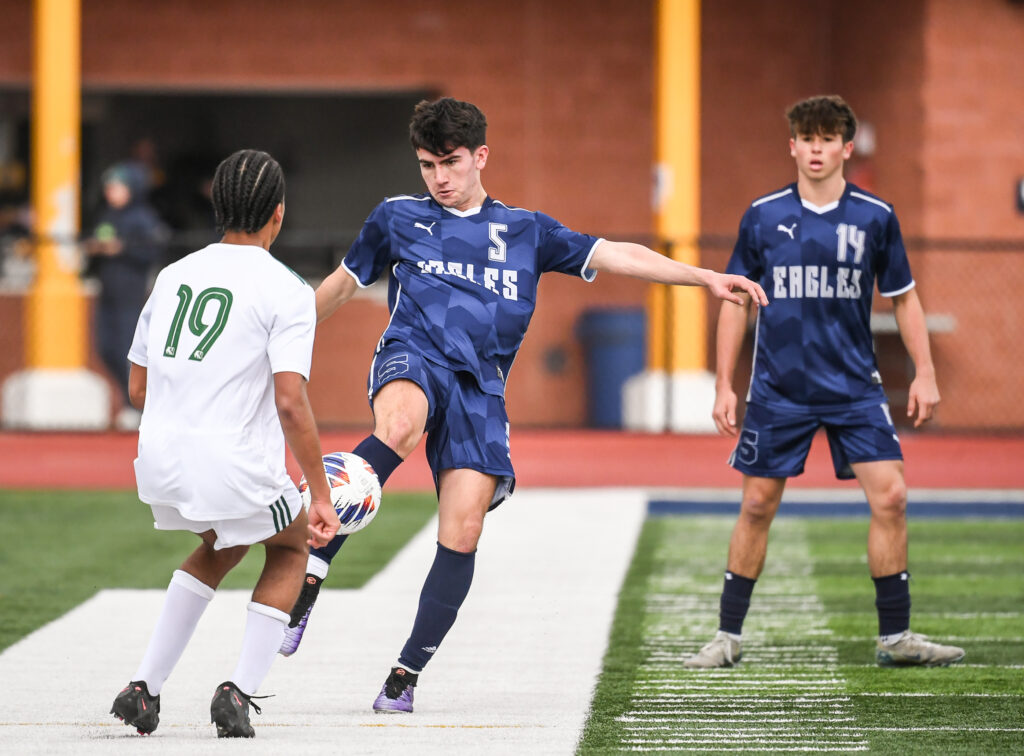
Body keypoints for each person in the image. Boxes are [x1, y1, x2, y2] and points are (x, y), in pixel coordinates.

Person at [278, 96, 769, 713]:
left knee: (464, 528)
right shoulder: (396, 217)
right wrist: (284, 343)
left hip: (481, 388)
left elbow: (617, 253)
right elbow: (345, 284)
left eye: (451, 163)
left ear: (481, 157)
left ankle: (404, 676)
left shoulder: (526, 231)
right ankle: (311, 574)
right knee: (399, 425)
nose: (439, 178)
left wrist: (703, 278)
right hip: (415, 355)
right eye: (428, 165)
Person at [683, 95, 964, 669]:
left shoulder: (875, 216)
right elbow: (735, 301)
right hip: (778, 389)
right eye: (806, 139)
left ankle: (896, 637)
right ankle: (727, 637)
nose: (816, 149)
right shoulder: (762, 215)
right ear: (792, 146)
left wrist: (925, 373)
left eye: (827, 138)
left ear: (846, 146)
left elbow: (905, 299)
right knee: (757, 504)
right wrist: (723, 383)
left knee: (892, 496)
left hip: (854, 387)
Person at [109, 149, 341, 738]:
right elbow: (290, 401)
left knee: (223, 544)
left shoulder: (173, 275)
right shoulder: (287, 289)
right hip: (232, 462)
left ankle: (144, 688)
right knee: (292, 550)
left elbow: (136, 384)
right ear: (279, 216)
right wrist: (320, 494)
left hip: (159, 457)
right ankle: (238, 690)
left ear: (217, 209)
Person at [84, 162, 167, 430]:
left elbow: (153, 251)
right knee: (105, 347)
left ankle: (139, 406)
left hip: (129, 293)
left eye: (117, 187)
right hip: (107, 292)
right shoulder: (108, 215)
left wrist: (122, 249)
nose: (111, 192)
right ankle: (130, 401)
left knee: (126, 350)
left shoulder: (143, 218)